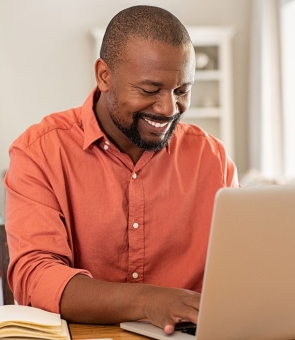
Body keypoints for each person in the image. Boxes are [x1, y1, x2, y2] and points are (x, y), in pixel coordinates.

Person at [4, 5, 239, 335]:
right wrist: (147, 301)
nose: (169, 108)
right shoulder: (39, 152)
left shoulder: (212, 159)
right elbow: (36, 276)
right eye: (149, 90)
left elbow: (240, 273)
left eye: (182, 90)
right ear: (104, 76)